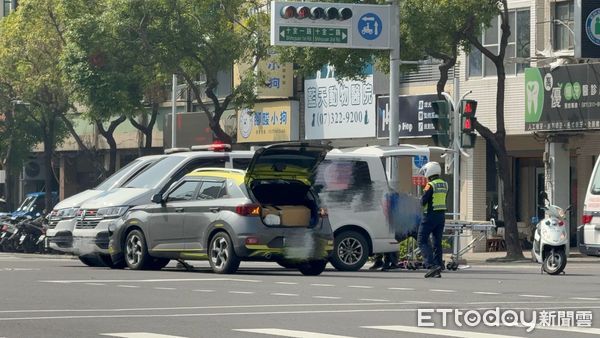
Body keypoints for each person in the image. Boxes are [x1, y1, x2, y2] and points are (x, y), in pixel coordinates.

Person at [418, 161, 448, 278]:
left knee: (422, 240)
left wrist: (419, 199)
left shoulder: (430, 185)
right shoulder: (445, 184)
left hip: (429, 216)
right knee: (437, 241)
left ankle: (431, 266)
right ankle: (438, 265)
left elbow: (423, 201)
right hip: (441, 216)